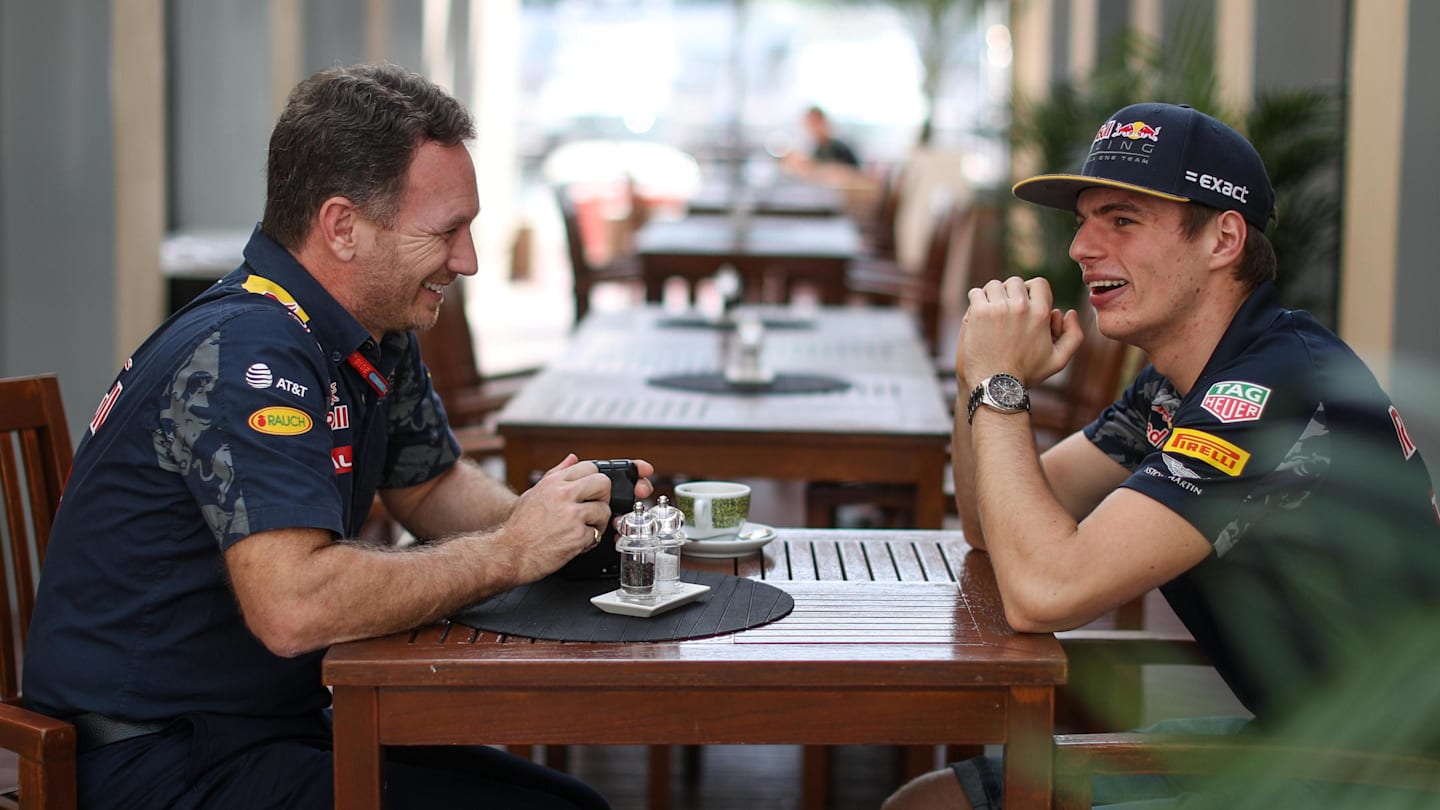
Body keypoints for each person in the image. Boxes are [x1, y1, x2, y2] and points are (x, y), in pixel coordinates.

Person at [24, 63, 652, 810]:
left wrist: (563, 521)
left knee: (573, 805)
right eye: (446, 231)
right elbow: (295, 608)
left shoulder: (368, 328)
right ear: (343, 227)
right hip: (153, 758)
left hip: (266, 726)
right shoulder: (251, 351)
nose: (469, 259)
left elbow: (430, 485)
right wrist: (513, 551)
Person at [885, 102, 1440, 808]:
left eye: (1121, 220)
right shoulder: (1177, 386)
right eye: (1083, 221)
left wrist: (1000, 391)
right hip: (1300, 741)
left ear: (1223, 239)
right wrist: (982, 378)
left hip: (1379, 773)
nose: (1082, 247)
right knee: (931, 803)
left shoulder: (1272, 388)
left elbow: (1046, 592)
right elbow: (989, 530)